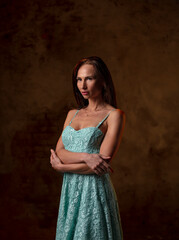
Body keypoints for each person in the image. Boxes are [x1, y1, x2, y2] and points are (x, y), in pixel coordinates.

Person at [50, 56, 126, 239]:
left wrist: (61, 167)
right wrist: (87, 157)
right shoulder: (71, 114)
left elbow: (101, 165)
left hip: (93, 190)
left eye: (89, 79)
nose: (82, 85)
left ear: (103, 81)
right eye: (79, 79)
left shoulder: (114, 115)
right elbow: (60, 151)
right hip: (69, 190)